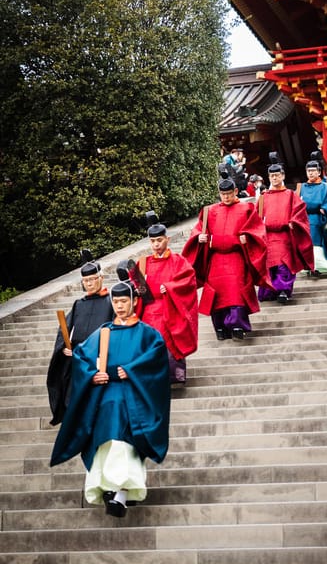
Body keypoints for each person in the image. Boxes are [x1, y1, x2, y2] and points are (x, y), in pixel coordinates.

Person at [50, 278, 170, 518]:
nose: (120, 306)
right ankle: (111, 490)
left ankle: (121, 493)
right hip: (105, 400)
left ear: (134, 302)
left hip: (132, 400)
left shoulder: (147, 334)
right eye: (116, 302)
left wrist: (133, 369)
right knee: (106, 445)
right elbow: (81, 357)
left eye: (124, 301)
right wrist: (93, 376)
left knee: (124, 445)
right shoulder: (103, 332)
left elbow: (157, 359)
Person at [182, 176, 270, 341]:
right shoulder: (210, 211)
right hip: (215, 258)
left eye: (229, 193)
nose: (226, 197)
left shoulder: (246, 209)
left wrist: (248, 238)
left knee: (236, 291)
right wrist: (198, 238)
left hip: (236, 257)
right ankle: (220, 327)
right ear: (219, 194)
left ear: (236, 192)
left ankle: (237, 324)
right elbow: (199, 230)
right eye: (223, 194)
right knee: (216, 293)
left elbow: (257, 229)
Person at [46, 251, 113, 426]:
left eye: (92, 279)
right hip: (78, 354)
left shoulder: (111, 301)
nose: (89, 284)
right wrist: (63, 347)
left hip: (100, 353)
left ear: (101, 278)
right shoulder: (79, 304)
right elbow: (64, 329)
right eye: (86, 281)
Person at [132, 213, 198, 384]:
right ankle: (153, 378)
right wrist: (137, 290)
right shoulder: (143, 263)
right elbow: (135, 286)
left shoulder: (178, 261)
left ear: (167, 239)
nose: (156, 245)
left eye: (159, 240)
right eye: (153, 241)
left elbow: (189, 280)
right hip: (149, 311)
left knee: (170, 341)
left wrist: (170, 287)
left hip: (170, 308)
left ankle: (174, 375)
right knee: (150, 344)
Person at [257, 161, 314, 303]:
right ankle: (271, 291)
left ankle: (283, 290)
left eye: (277, 175)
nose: (274, 178)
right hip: (268, 236)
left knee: (284, 264)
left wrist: (293, 222)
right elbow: (256, 217)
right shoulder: (263, 197)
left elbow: (299, 212)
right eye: (271, 176)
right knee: (270, 265)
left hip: (284, 236)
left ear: (283, 176)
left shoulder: (290, 195)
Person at [298, 160, 327, 275]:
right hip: (304, 219)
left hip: (318, 218)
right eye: (308, 171)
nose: (310, 173)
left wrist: (325, 209)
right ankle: (306, 266)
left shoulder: (325, 187)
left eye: (313, 171)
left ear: (319, 172)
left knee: (317, 243)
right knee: (305, 243)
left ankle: (319, 266)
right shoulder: (302, 187)